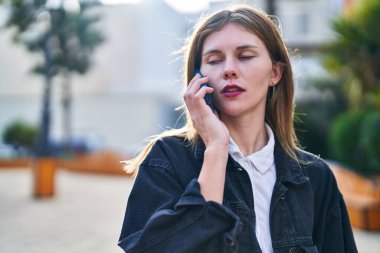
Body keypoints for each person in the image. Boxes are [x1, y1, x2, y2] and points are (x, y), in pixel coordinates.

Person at [118, 4, 358, 253]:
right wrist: (216, 148)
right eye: (214, 60)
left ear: (275, 72)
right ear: (198, 79)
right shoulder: (168, 160)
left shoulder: (314, 177)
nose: (229, 69)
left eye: (245, 56)